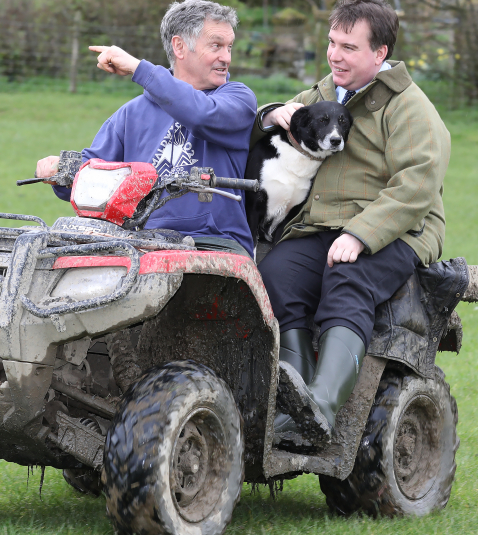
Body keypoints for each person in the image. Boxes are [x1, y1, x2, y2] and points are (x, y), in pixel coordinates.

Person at [252, 0, 451, 434]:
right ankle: (294, 396)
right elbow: (265, 127)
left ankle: (321, 407)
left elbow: (416, 186)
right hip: (324, 227)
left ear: (379, 54)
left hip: (399, 230)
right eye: (331, 43)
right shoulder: (324, 93)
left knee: (347, 277)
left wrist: (360, 235)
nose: (335, 55)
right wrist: (270, 113)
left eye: (348, 46)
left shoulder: (409, 108)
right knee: (275, 276)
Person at [35, 0, 257, 258]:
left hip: (216, 245)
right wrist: (59, 171)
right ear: (180, 47)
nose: (226, 57)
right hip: (142, 244)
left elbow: (199, 114)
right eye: (216, 46)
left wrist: (139, 69)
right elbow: (90, 175)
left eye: (229, 47)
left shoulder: (238, 99)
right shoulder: (132, 114)